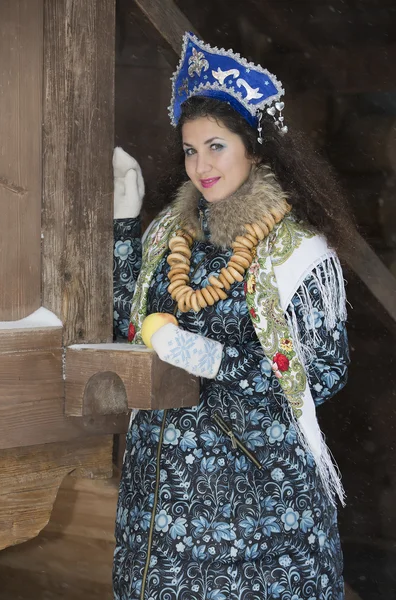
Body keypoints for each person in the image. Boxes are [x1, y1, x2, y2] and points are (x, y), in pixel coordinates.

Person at [112, 32, 351, 600]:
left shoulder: (297, 252)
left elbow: (322, 372)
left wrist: (211, 358)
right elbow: (135, 322)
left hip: (256, 510)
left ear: (255, 148)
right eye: (191, 150)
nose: (201, 165)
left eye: (216, 146)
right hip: (162, 503)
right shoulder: (172, 235)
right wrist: (124, 228)